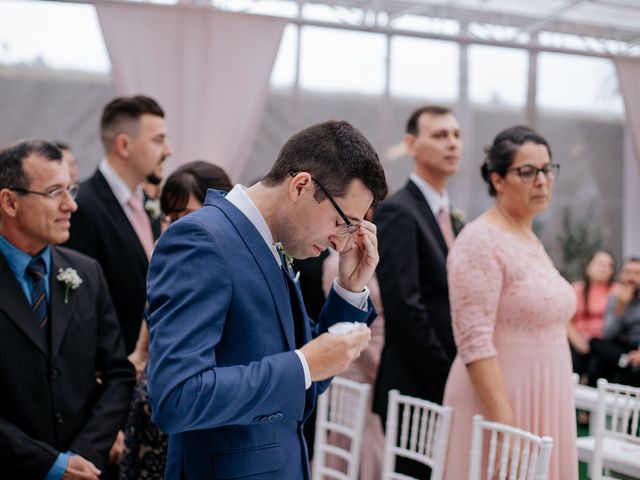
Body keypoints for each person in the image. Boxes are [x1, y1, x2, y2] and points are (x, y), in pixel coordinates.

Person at [146, 120, 388, 479]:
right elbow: (176, 397)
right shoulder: (201, 239)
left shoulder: (269, 243)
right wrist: (302, 364)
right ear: (301, 186)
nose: (342, 241)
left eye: (354, 229)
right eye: (344, 221)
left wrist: (349, 290)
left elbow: (311, 381)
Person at [442, 126, 578, 480]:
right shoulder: (480, 239)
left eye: (548, 170)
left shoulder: (531, 239)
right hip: (501, 404)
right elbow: (473, 339)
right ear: (498, 179)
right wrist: (505, 425)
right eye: (528, 172)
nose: (542, 181)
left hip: (549, 397)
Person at [0, 139, 135, 479]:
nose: (70, 206)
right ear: (10, 202)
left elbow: (118, 374)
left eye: (71, 191)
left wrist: (85, 454)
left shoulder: (86, 272)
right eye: (54, 192)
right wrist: (51, 465)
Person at [120, 160, 233, 480]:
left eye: (183, 217)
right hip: (149, 412)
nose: (172, 228)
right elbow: (142, 350)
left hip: (196, 419)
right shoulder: (168, 262)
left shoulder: (228, 269)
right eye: (168, 219)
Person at [373, 105, 463, 472]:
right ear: (411, 144)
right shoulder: (398, 211)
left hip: (440, 382)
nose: (452, 144)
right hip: (416, 384)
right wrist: (450, 376)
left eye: (456, 135)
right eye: (440, 135)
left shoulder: (450, 216)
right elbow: (405, 308)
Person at [65, 95, 172, 354]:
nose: (168, 150)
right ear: (124, 145)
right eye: (158, 140)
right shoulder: (82, 208)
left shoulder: (149, 203)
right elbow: (80, 306)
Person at [321, 207, 386, 480]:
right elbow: (344, 321)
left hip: (375, 355)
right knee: (351, 440)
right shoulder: (333, 263)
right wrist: (376, 366)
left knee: (370, 439)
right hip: (357, 360)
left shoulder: (370, 256)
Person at [588, 257, 640, 387]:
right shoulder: (615, 297)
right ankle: (626, 361)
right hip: (622, 347)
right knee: (594, 343)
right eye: (627, 272)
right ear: (621, 275)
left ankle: (625, 362)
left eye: (637, 273)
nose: (631, 277)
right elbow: (608, 334)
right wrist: (620, 307)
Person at [567, 250, 616, 378]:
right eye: (600, 264)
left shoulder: (616, 291)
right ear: (588, 267)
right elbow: (566, 320)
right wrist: (577, 341)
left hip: (603, 345)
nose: (604, 269)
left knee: (597, 364)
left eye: (609, 265)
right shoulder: (577, 289)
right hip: (579, 343)